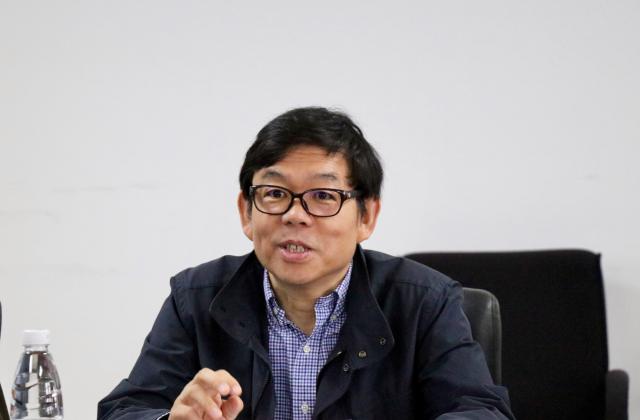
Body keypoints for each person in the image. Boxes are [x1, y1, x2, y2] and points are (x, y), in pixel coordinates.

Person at [98, 107, 514, 420]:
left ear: (366, 216)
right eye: (275, 194)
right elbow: (126, 410)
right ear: (246, 212)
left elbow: (481, 410)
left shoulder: (425, 302)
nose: (295, 215)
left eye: (323, 196)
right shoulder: (194, 299)